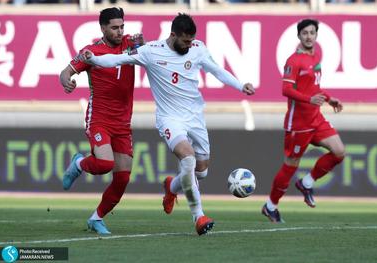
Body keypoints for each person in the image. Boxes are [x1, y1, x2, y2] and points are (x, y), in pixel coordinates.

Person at [82, 13, 255, 235]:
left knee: (200, 172)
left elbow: (217, 71)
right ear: (173, 35)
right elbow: (117, 59)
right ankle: (198, 216)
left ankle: (172, 186)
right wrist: (93, 59)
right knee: (189, 158)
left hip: (195, 118)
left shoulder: (198, 48)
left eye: (191, 41)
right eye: (185, 41)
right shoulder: (151, 51)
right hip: (169, 119)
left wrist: (241, 86)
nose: (189, 45)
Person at [59, 7, 143, 235]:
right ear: (103, 28)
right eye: (114, 27)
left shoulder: (130, 44)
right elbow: (65, 72)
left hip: (123, 123)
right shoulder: (91, 51)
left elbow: (147, 54)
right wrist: (66, 82)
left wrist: (143, 46)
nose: (119, 31)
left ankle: (96, 218)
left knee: (123, 177)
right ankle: (78, 164)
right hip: (100, 119)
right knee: (105, 164)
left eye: (122, 26)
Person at [262, 19, 345, 223]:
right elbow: (286, 90)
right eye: (305, 33)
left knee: (339, 152)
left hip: (316, 118)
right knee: (290, 166)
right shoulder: (293, 61)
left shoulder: (315, 56)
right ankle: (270, 206)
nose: (309, 36)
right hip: (298, 124)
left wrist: (328, 97)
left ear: (316, 35)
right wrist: (310, 99)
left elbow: (314, 87)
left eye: (312, 33)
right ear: (299, 36)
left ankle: (307, 182)